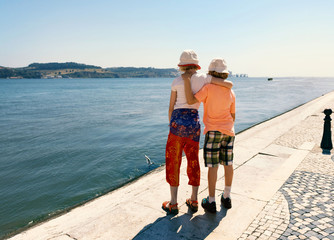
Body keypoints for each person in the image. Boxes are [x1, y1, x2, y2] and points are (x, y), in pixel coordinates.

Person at [162, 50, 233, 215]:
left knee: (174, 161)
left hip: (177, 125)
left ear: (181, 65)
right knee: (193, 160)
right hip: (194, 125)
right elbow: (228, 84)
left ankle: (173, 203)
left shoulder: (176, 81)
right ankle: (193, 200)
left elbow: (171, 107)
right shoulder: (204, 78)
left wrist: (171, 124)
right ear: (196, 65)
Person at [182, 58, 235, 213]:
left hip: (212, 131)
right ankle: (227, 197)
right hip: (229, 131)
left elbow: (191, 100)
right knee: (228, 164)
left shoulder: (208, 88)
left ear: (211, 73)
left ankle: (211, 201)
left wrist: (186, 82)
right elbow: (233, 115)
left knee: (213, 166)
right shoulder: (231, 91)